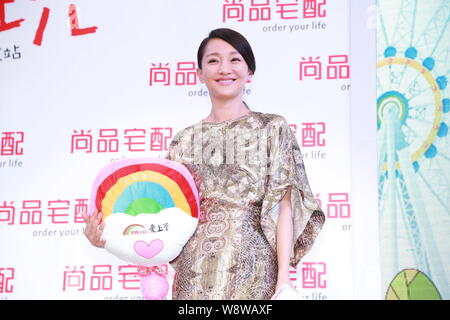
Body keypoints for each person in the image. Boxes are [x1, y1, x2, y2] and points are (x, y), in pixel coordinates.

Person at [83, 28, 325, 300]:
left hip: (255, 269)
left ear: (250, 71)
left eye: (235, 60)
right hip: (194, 272)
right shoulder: (184, 141)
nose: (224, 68)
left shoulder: (272, 127)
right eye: (213, 60)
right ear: (199, 73)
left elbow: (285, 207)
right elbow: (160, 213)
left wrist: (283, 280)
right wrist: (107, 236)